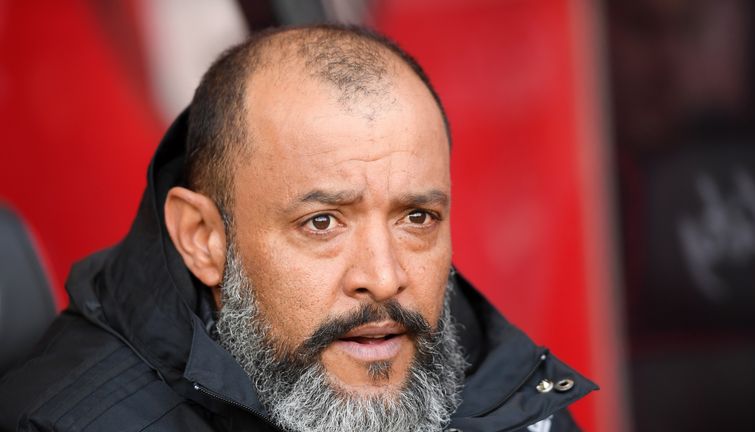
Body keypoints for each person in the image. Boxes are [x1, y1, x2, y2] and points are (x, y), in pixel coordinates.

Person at [0, 25, 595, 432]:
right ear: (203, 238)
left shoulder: (501, 385)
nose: (384, 278)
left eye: (417, 218)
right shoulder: (69, 423)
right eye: (322, 223)